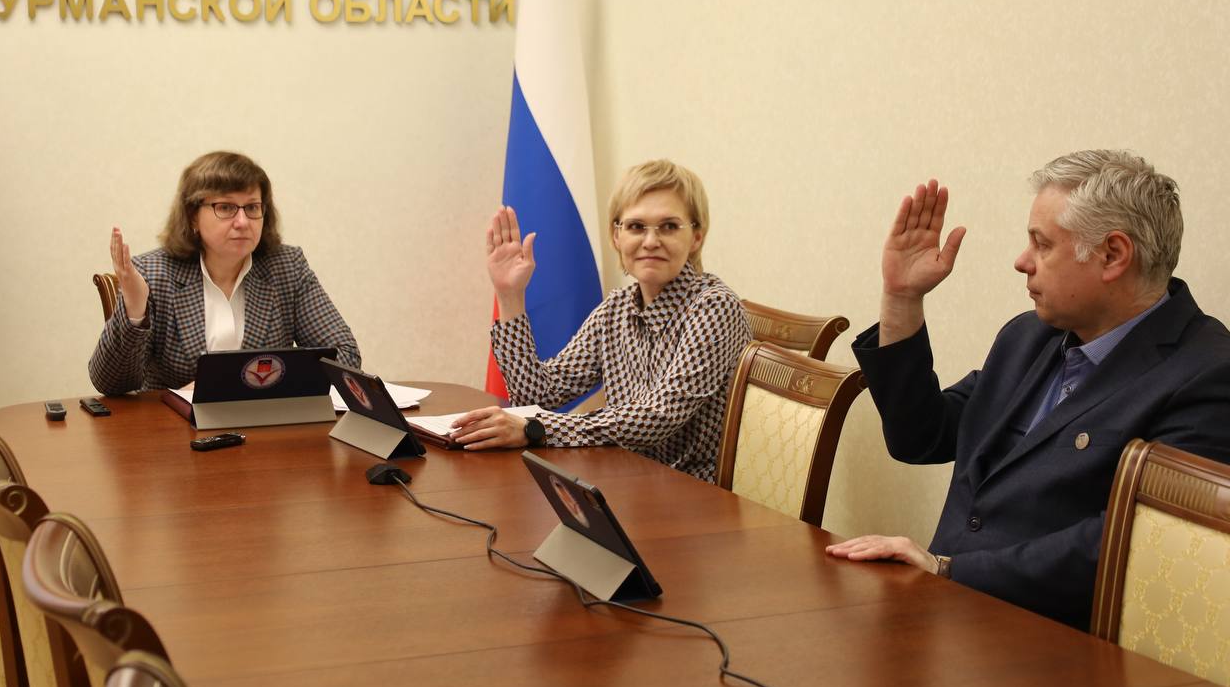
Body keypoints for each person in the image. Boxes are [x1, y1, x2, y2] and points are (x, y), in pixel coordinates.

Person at [825, 150, 1230, 630]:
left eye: (1042, 245)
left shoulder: (1207, 373)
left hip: (1055, 643)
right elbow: (920, 437)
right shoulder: (1029, 336)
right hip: (948, 616)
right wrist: (901, 298)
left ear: (1113, 255)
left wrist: (951, 570)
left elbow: (1142, 541)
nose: (1021, 262)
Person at [450, 159, 751, 483]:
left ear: (696, 238)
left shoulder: (715, 307)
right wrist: (510, 296)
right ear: (616, 237)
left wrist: (536, 429)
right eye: (636, 227)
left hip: (692, 494)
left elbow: (659, 416)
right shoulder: (617, 308)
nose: (651, 241)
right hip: (628, 481)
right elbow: (538, 396)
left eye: (668, 226)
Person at [89, 151, 360, 394]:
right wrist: (135, 311)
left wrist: (258, 386)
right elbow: (111, 384)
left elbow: (345, 359)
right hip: (175, 428)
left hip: (265, 426)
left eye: (252, 207)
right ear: (193, 216)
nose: (242, 222)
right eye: (226, 208)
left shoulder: (286, 267)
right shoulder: (154, 273)